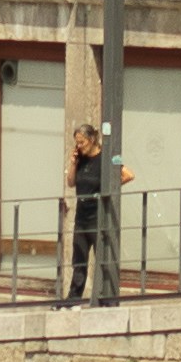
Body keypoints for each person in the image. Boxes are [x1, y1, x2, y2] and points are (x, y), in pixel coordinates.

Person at [67, 111, 119, 305]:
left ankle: (105, 297)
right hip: (81, 215)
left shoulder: (104, 158)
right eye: (77, 143)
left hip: (97, 216)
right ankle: (73, 298)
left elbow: (127, 174)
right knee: (79, 259)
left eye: (82, 142)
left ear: (91, 140)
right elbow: (71, 183)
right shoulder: (81, 159)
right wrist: (73, 163)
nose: (79, 146)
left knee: (101, 258)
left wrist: (110, 189)